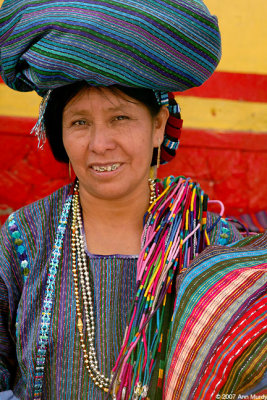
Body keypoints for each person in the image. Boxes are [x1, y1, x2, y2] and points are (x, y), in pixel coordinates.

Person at [0, 1, 266, 399]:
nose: (100, 144)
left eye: (120, 118)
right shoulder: (24, 239)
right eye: (79, 122)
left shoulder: (212, 244)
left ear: (158, 126)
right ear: (59, 134)